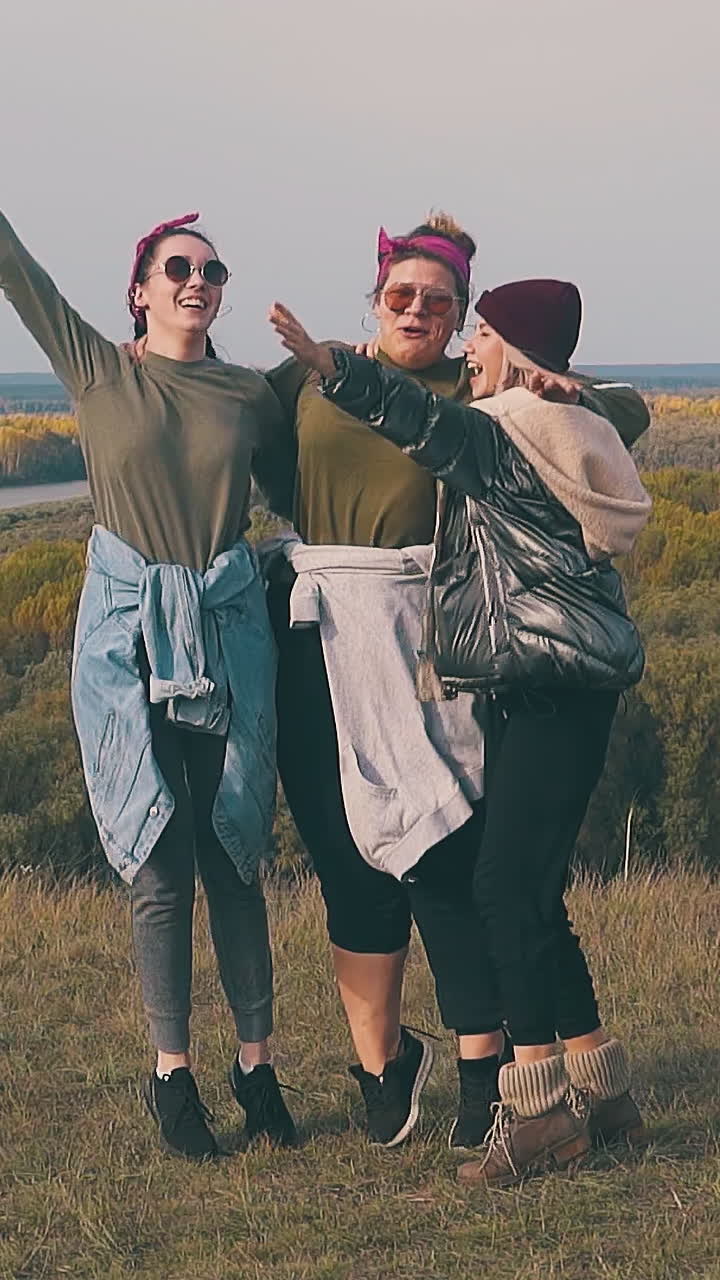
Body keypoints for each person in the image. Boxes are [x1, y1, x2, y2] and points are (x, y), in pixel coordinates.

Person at [263, 216, 650, 1151]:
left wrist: (567, 382)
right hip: (362, 633)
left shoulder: (487, 413)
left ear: (472, 322)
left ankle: (509, 1088)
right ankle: (523, 1082)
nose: (421, 313)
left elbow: (603, 418)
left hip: (469, 652)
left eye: (445, 305)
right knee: (423, 869)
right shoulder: (306, 386)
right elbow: (232, 433)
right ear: (376, 296)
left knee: (474, 871)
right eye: (401, 295)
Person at [0, 208, 297, 1161]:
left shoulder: (249, 394)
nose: (198, 282)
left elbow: (325, 458)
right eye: (179, 267)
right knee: (160, 862)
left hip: (228, 636)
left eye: (213, 272)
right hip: (127, 645)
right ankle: (174, 1079)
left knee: (235, 855)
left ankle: (257, 1069)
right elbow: (19, 271)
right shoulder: (100, 372)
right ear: (140, 289)